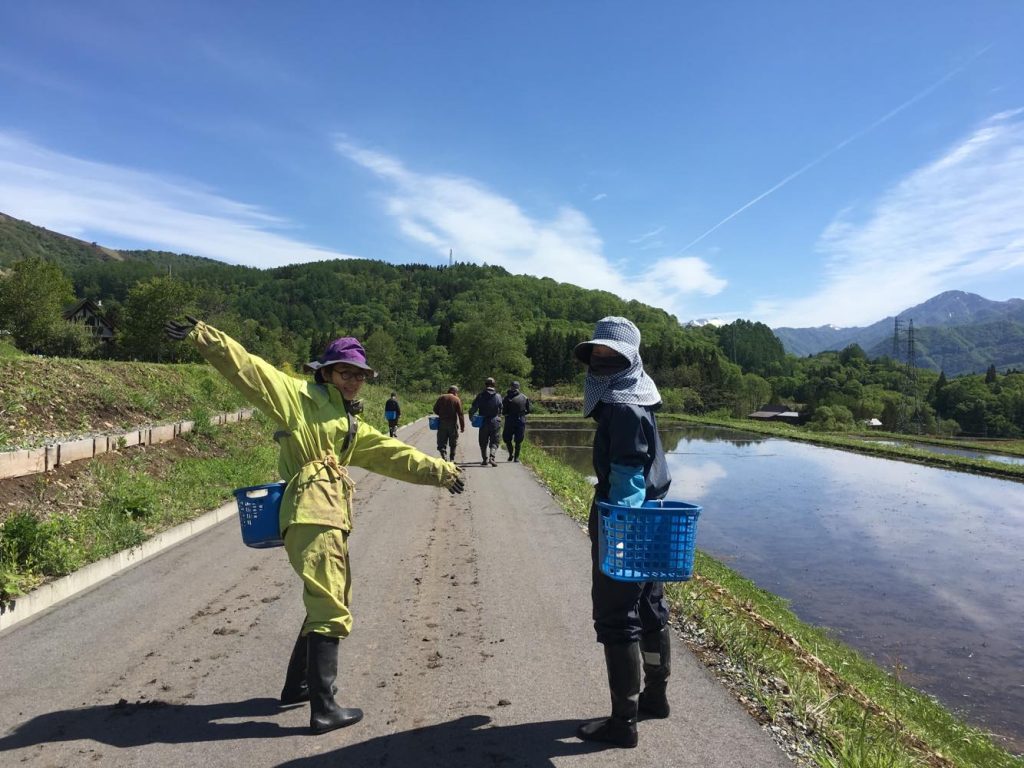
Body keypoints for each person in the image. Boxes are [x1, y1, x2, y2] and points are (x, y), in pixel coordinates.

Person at [164, 316, 465, 736]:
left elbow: (394, 454)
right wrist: (204, 335)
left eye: (359, 375)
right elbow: (250, 369)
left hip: (329, 516)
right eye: (346, 372)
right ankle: (324, 709)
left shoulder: (349, 425)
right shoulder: (297, 397)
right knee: (329, 605)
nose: (354, 381)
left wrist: (441, 471)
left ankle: (298, 686)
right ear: (324, 371)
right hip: (310, 512)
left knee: (331, 595)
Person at [571, 316, 672, 750]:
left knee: (618, 617)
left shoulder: (624, 406)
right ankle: (654, 698)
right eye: (596, 351)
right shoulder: (637, 402)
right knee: (649, 606)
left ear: (630, 359)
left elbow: (629, 474)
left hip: (625, 519)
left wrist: (619, 532)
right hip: (653, 518)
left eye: (612, 353)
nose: (601, 359)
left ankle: (623, 722)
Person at [468, 377, 503, 467]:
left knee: (483, 441)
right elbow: (501, 408)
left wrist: (471, 418)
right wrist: (499, 417)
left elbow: (473, 409)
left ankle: (485, 459)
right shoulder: (498, 396)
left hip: (483, 421)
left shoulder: (480, 395)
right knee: (495, 440)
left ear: (485, 385)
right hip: (495, 421)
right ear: (494, 385)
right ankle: (492, 457)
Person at [433, 385, 465, 462]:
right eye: (457, 392)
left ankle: (443, 454)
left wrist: (441, 414)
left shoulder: (441, 397)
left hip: (442, 423)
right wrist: (462, 426)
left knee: (441, 441)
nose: (457, 394)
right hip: (452, 424)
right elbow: (460, 414)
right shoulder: (456, 399)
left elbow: (435, 409)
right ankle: (452, 459)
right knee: (453, 442)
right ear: (454, 392)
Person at [501, 381, 531, 462]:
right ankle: (516, 458)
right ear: (519, 387)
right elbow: (528, 410)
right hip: (520, 420)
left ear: (511, 387)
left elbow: (503, 412)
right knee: (518, 439)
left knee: (507, 438)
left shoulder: (506, 398)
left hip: (510, 420)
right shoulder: (525, 397)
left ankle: (511, 454)